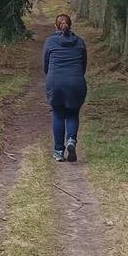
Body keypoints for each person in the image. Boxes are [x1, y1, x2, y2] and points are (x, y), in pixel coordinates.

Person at [42, 12, 88, 162]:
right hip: (76, 82)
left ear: (56, 26)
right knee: (73, 113)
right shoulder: (80, 42)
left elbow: (45, 65)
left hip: (55, 82)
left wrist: (52, 77)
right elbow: (83, 65)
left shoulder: (50, 42)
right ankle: (71, 140)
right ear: (70, 25)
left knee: (58, 114)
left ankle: (59, 151)